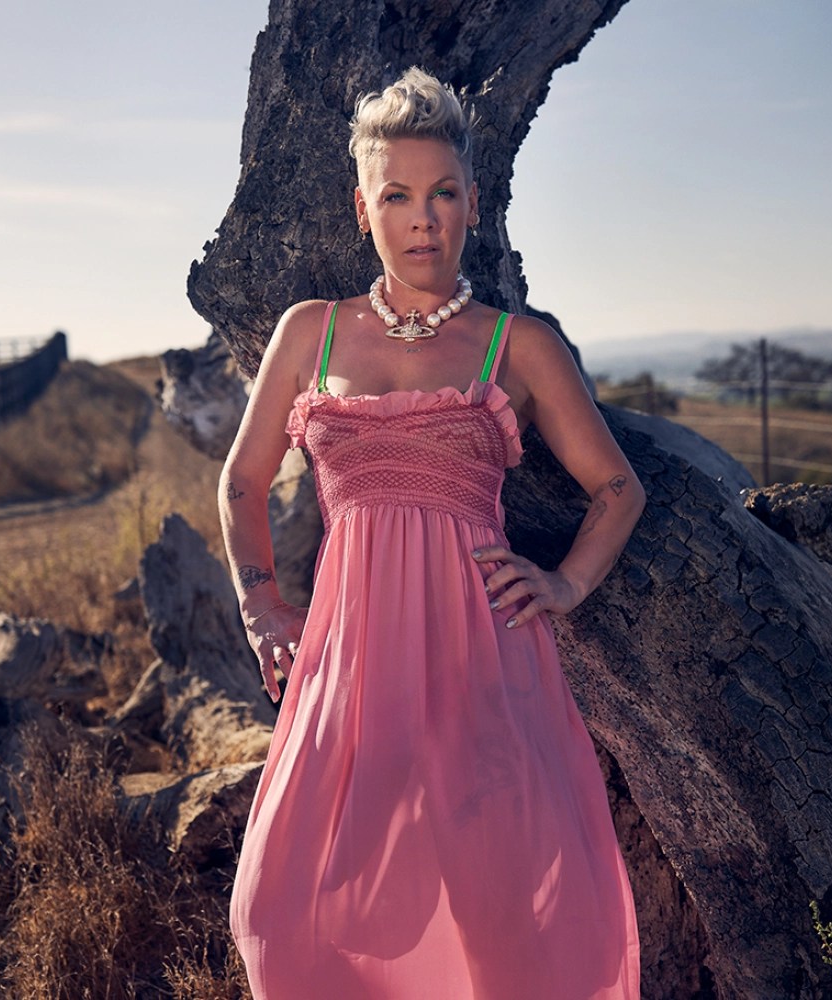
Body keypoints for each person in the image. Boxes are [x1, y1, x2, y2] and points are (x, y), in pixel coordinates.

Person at [220, 66, 645, 1000]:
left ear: (473, 205)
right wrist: (262, 608)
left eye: (443, 193)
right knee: (284, 909)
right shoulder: (310, 333)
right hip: (348, 660)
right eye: (398, 196)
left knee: (496, 912)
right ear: (363, 209)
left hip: (481, 657)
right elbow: (242, 482)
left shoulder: (517, 345)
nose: (423, 219)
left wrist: (565, 583)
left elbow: (618, 489)